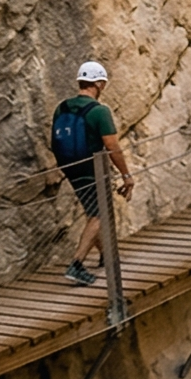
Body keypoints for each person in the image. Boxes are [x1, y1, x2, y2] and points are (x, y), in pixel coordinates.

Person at [49, 61, 132, 287]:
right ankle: (76, 264)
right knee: (99, 214)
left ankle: (107, 256)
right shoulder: (99, 111)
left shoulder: (62, 108)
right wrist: (126, 175)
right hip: (90, 168)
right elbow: (112, 146)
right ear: (99, 84)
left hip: (69, 166)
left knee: (93, 211)